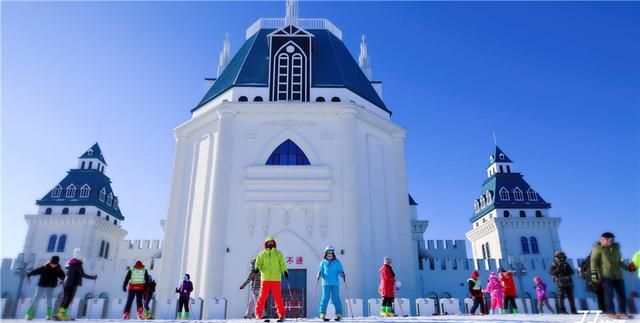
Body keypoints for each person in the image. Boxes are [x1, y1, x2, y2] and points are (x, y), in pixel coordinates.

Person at [590, 232, 636, 319]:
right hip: (606, 275)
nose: (608, 242)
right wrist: (594, 275)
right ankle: (611, 312)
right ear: (602, 240)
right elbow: (593, 262)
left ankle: (622, 312)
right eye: (605, 240)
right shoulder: (597, 249)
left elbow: (619, 261)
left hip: (618, 275)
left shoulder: (616, 249)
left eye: (610, 240)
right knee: (609, 294)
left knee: (621, 294)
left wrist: (628, 268)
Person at [56, 249, 97, 321]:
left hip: (66, 283)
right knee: (68, 300)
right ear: (79, 257)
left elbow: (68, 273)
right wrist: (93, 277)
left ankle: (61, 314)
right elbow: (83, 274)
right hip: (72, 283)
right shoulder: (77, 264)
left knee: (65, 299)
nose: (82, 260)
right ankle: (60, 315)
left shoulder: (69, 263)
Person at [254, 236, 288, 322]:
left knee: (278, 297)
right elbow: (258, 263)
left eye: (271, 242)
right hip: (265, 279)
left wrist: (285, 271)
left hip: (276, 279)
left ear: (274, 243)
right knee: (262, 297)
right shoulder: (262, 254)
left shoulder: (278, 254)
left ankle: (281, 315)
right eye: (268, 243)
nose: (270, 244)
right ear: (266, 244)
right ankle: (259, 314)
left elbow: (282, 264)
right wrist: (257, 268)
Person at [25, 256, 65, 320]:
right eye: (52, 263)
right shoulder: (45, 267)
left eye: (55, 264)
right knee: (36, 299)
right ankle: (29, 314)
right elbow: (36, 271)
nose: (53, 265)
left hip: (51, 286)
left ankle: (48, 315)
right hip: (42, 285)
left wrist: (63, 279)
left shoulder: (58, 269)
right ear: (50, 262)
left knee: (49, 300)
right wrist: (29, 274)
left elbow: (62, 275)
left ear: (57, 264)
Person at [317, 246, 345, 321]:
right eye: (328, 253)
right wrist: (319, 274)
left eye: (331, 253)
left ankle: (338, 314)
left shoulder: (337, 262)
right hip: (325, 283)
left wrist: (342, 274)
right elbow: (320, 270)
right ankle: (322, 314)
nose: (330, 254)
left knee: (335, 298)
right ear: (326, 254)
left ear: (333, 254)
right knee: (325, 298)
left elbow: (340, 270)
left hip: (335, 283)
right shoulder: (323, 262)